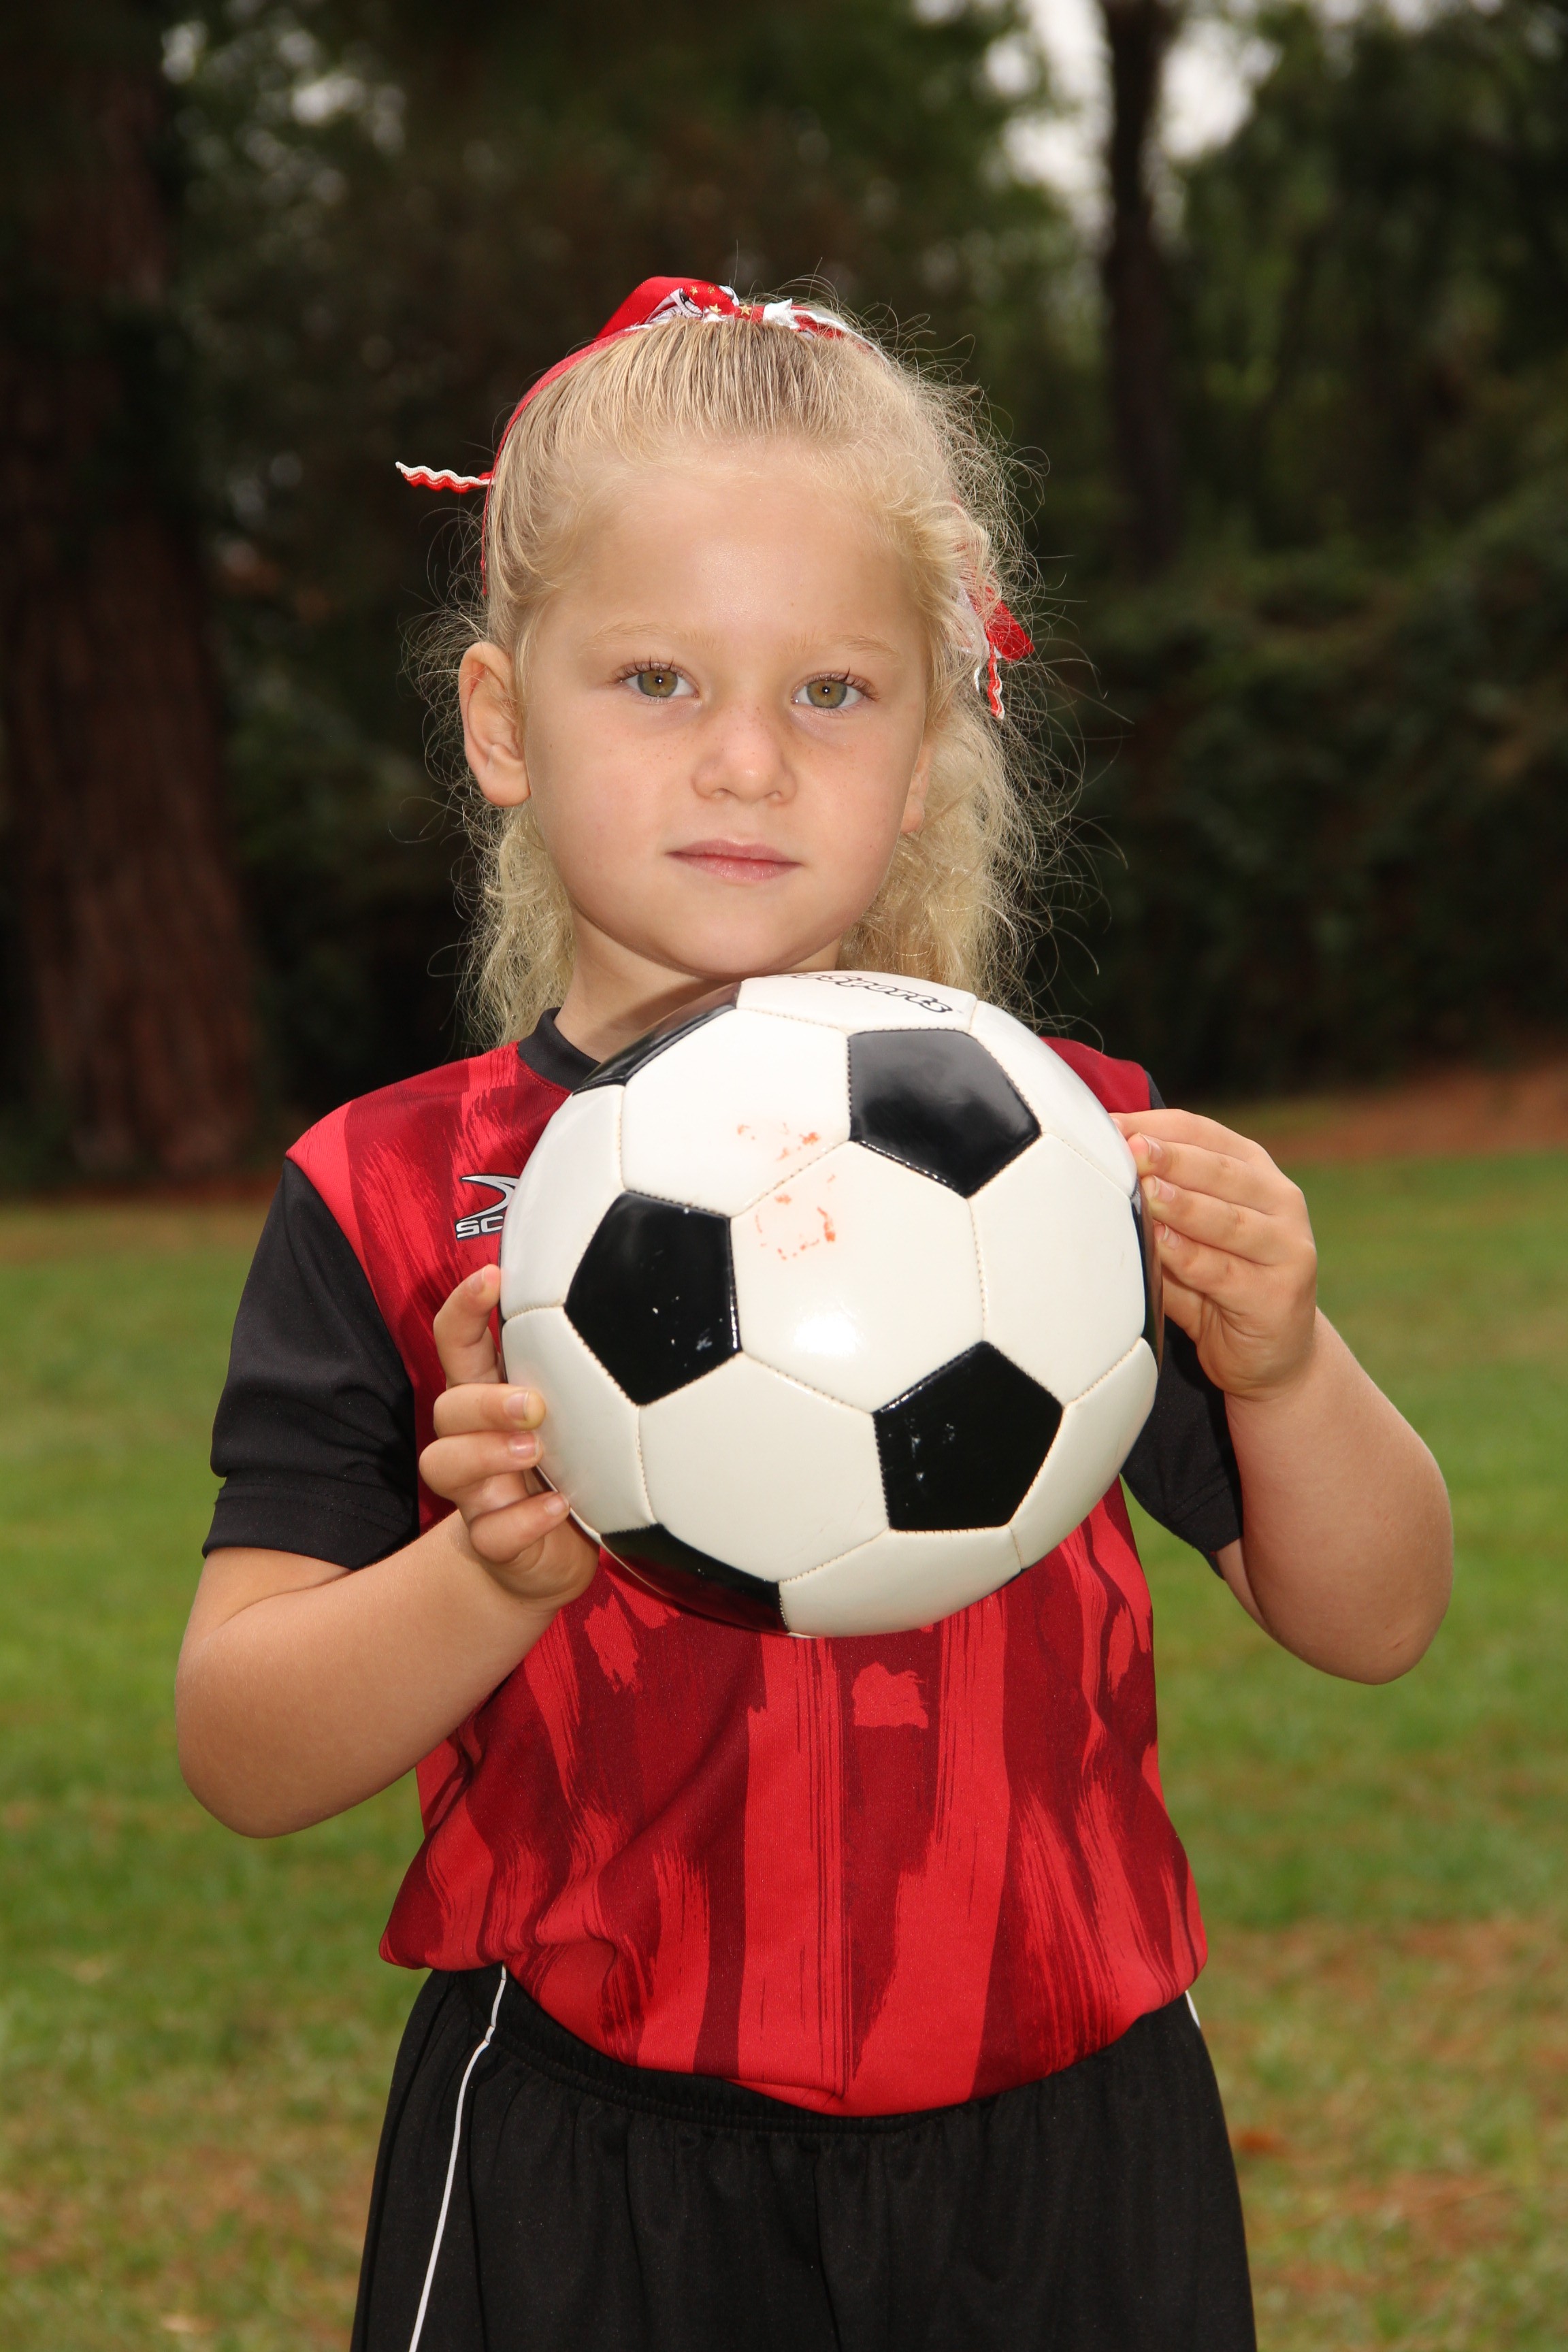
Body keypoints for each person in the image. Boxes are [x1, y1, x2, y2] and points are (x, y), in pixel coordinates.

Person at [176, 279, 1452, 2352]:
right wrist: (484, 1578)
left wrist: (1290, 1365)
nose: (748, 759)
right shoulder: (388, 1195)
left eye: (837, 691)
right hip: (586, 2166)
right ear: (503, 721)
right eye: (657, 677)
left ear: (932, 744)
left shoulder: (1068, 1158)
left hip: (1066, 2160)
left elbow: (1376, 1618)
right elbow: (241, 1744)